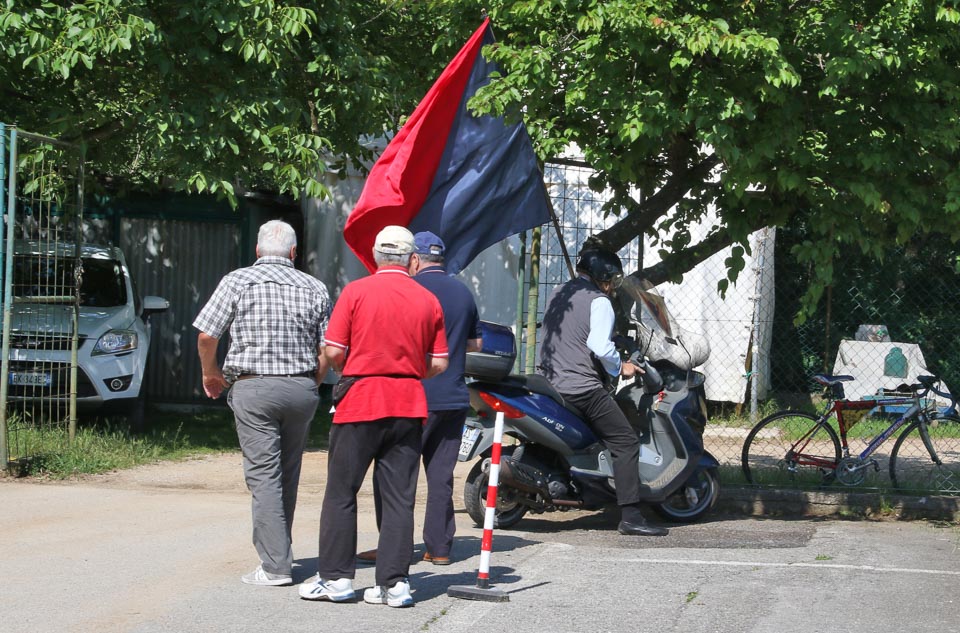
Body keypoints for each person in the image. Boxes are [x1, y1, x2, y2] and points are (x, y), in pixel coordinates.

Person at [298, 225, 448, 608]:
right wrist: (408, 370)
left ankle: (336, 578)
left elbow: (333, 352)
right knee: (399, 497)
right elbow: (439, 362)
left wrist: (355, 367)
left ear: (376, 256)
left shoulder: (355, 291)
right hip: (408, 404)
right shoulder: (428, 299)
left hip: (360, 401)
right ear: (413, 260)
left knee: (341, 491)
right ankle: (394, 584)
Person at [194, 219, 331, 586]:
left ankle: (275, 567)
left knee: (264, 476)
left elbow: (207, 335)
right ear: (293, 252)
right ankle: (280, 550)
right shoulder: (314, 287)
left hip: (254, 388)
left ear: (257, 250)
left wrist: (211, 373)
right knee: (287, 473)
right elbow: (327, 350)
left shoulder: (237, 281)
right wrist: (312, 383)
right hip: (301, 389)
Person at [355, 231, 481, 567]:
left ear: (415, 259)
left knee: (395, 474)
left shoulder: (410, 290)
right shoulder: (463, 292)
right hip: (454, 396)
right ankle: (439, 548)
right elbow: (476, 344)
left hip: (415, 395)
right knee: (440, 475)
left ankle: (392, 547)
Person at [538, 245, 669, 537]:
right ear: (603, 276)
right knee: (625, 441)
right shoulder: (599, 302)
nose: (612, 285)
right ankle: (631, 516)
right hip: (580, 387)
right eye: (612, 279)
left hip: (549, 381)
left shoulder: (559, 292)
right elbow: (599, 346)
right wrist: (622, 367)